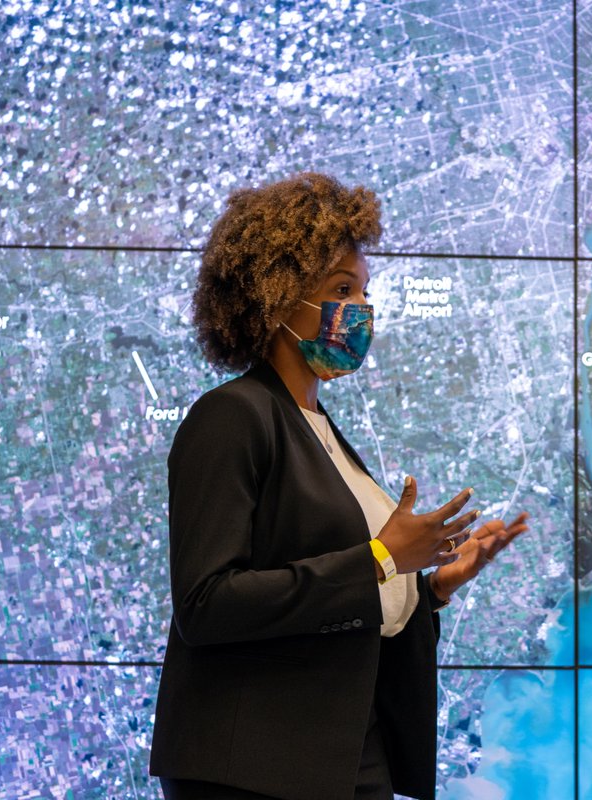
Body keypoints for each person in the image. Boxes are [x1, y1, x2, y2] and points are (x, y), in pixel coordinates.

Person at [148, 172, 528, 800]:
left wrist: (427, 587)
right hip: (254, 768)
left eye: (364, 291)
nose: (362, 310)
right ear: (277, 297)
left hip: (340, 753)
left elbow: (342, 598)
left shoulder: (318, 426)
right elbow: (205, 604)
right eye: (342, 289)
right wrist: (381, 558)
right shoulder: (234, 416)